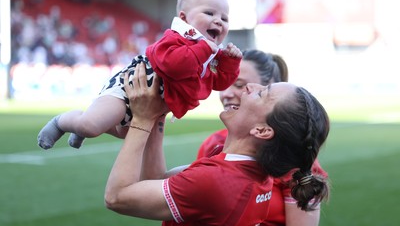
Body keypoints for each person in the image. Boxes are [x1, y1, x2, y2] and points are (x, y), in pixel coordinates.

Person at [104, 61, 330, 225]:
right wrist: (157, 116)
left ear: (261, 130)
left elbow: (117, 197)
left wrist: (143, 119)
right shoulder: (246, 171)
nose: (250, 87)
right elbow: (155, 181)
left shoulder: (219, 182)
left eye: (262, 93)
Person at [37, 0, 242, 150]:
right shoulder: (175, 38)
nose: (219, 21)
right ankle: (64, 121)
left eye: (224, 18)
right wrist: (204, 50)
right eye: (209, 13)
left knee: (126, 133)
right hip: (129, 88)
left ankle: (84, 126)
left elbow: (218, 83)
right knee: (91, 125)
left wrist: (230, 62)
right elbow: (174, 66)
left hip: (148, 104)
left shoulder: (209, 52)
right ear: (184, 18)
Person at [196, 49, 328, 226]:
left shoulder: (292, 159)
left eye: (239, 84)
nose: (225, 93)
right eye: (224, 82)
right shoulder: (212, 144)